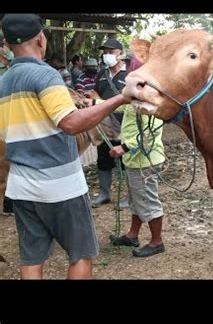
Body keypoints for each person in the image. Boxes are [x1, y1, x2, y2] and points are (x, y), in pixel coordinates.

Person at [0, 14, 130, 279]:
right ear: (40, 39)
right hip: (61, 186)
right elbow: (70, 123)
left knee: (32, 261)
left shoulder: (3, 84)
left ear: (7, 45)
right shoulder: (45, 75)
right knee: (80, 255)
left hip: (22, 187)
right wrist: (118, 100)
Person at [108, 52, 167, 257]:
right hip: (136, 160)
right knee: (136, 199)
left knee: (147, 200)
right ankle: (132, 235)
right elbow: (122, 109)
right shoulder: (135, 99)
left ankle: (157, 241)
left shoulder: (152, 100)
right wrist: (90, 105)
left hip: (145, 160)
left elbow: (150, 133)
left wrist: (124, 147)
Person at [83, 38, 128, 206]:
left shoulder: (130, 74)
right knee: (103, 158)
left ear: (121, 54)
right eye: (105, 52)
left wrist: (98, 100)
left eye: (111, 52)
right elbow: (96, 92)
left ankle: (131, 196)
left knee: (126, 160)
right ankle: (104, 193)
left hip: (125, 123)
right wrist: (90, 96)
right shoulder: (102, 74)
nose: (106, 55)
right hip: (104, 123)